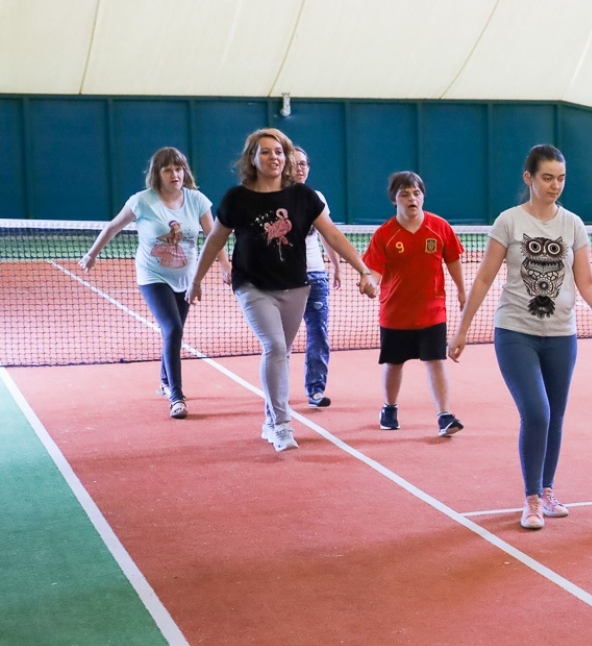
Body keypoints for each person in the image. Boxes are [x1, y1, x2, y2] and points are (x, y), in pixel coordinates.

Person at [449, 145, 592, 527]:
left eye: (561, 178)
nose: (555, 186)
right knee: (537, 412)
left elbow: (587, 284)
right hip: (516, 332)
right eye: (547, 178)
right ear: (529, 178)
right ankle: (531, 498)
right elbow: (484, 277)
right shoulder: (509, 222)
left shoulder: (573, 225)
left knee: (556, 416)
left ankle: (548, 491)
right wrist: (463, 329)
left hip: (562, 336)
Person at [192, 128, 376, 452]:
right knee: (275, 347)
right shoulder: (237, 199)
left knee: (281, 353)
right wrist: (196, 280)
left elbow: (332, 235)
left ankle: (269, 418)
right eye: (265, 152)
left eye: (278, 152)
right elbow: (215, 240)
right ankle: (282, 425)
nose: (273, 157)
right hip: (252, 286)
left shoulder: (304, 197)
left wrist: (362, 270)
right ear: (252, 158)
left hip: (295, 286)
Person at [79, 147, 226, 419]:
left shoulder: (197, 200)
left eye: (178, 168)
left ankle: (165, 379)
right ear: (156, 174)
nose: (175, 174)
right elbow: (113, 226)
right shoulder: (142, 201)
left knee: (176, 329)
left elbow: (214, 236)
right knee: (172, 328)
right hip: (153, 276)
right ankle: (177, 397)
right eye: (168, 169)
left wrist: (225, 266)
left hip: (186, 278)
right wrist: (92, 254)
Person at [363, 172, 467, 437]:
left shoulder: (440, 227)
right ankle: (389, 408)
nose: (412, 198)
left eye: (416, 192)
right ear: (394, 199)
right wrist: (370, 285)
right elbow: (373, 272)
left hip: (432, 312)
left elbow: (453, 260)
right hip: (395, 314)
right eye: (405, 194)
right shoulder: (384, 234)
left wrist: (462, 291)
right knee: (394, 364)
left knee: (436, 361)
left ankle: (444, 415)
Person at [288, 146, 340, 408]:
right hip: (285, 280)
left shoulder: (316, 197)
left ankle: (316, 390)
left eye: (304, 164)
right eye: (296, 163)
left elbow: (327, 233)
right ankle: (278, 390)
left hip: (316, 276)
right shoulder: (275, 197)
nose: (300, 168)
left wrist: (337, 265)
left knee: (318, 333)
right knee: (281, 339)